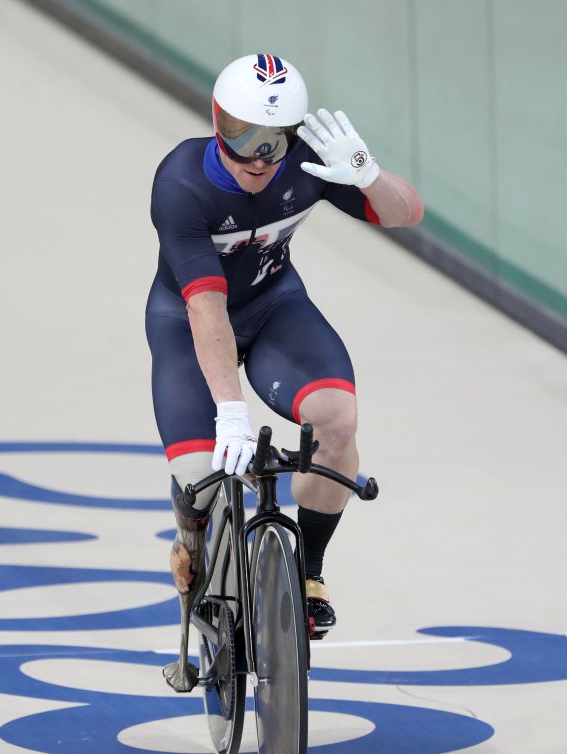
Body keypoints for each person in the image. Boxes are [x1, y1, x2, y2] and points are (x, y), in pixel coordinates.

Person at [146, 53, 423, 689]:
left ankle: (309, 571)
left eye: (274, 140)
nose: (258, 157)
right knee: (201, 474)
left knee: (338, 422)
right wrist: (232, 410)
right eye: (242, 135)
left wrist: (368, 175)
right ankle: (195, 543)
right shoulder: (181, 183)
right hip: (189, 322)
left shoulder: (302, 166)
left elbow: (406, 213)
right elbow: (205, 307)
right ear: (217, 122)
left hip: (275, 309)